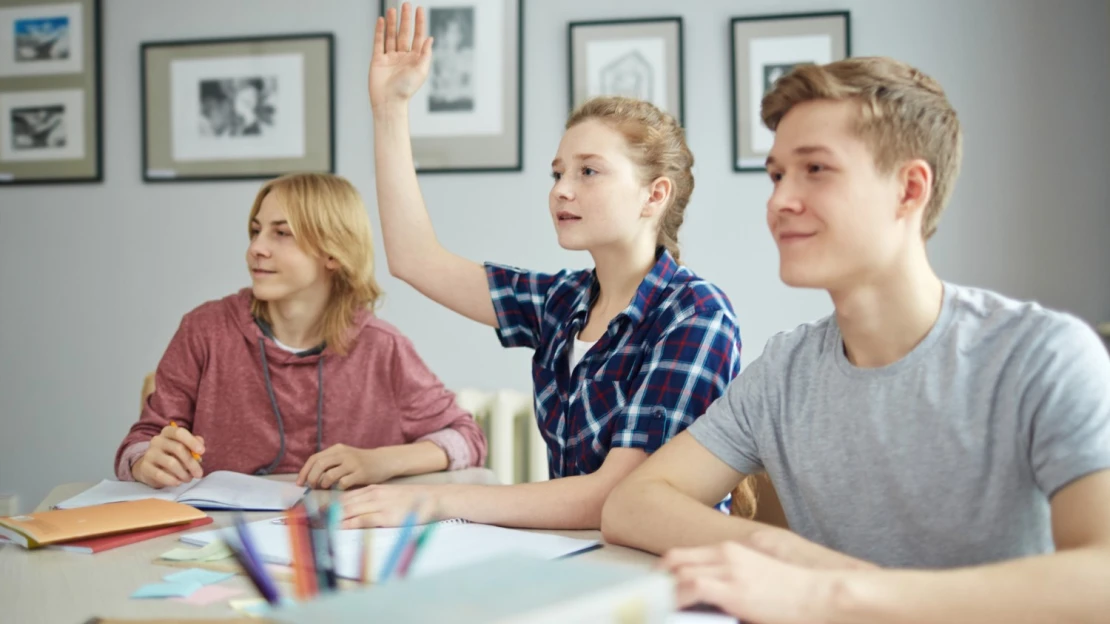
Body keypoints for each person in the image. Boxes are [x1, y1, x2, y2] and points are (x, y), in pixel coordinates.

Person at [601, 56, 1110, 623]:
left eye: (815, 169)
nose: (779, 201)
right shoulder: (786, 370)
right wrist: (788, 555)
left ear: (909, 189)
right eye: (776, 175)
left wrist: (829, 594)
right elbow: (633, 503)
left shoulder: (1045, 355)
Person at [340, 2, 745, 530]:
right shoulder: (564, 302)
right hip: (574, 553)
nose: (562, 190)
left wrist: (434, 500)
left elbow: (616, 496)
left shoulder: (696, 316)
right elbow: (415, 260)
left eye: (589, 171)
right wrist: (391, 110)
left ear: (654, 195)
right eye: (557, 173)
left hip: (660, 573)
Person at [114, 172, 487, 490]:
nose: (256, 249)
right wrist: (145, 461)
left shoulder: (381, 348)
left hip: (341, 547)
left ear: (332, 253)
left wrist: (379, 462)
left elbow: (467, 440)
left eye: (281, 234)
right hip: (221, 544)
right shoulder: (204, 331)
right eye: (256, 231)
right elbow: (138, 444)